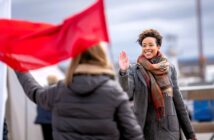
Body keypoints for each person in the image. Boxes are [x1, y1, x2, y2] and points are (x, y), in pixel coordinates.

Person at [15, 44, 143, 140]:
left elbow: (34, 92)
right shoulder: (114, 93)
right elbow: (134, 136)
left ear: (75, 59)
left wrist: (18, 65)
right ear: (102, 58)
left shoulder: (59, 91)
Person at [118, 29, 197, 140]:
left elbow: (179, 102)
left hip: (169, 128)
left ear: (158, 46)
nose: (147, 48)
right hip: (145, 128)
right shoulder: (134, 70)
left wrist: (190, 134)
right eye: (144, 45)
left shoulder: (170, 69)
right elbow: (127, 93)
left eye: (151, 44)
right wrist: (123, 72)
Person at [35, 75, 58, 140]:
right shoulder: (57, 91)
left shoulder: (42, 91)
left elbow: (39, 105)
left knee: (46, 137)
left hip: (43, 119)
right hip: (53, 120)